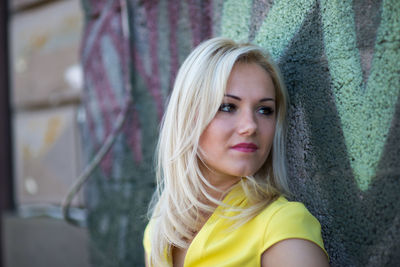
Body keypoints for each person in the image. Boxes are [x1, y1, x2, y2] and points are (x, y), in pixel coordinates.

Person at [143, 37, 329, 267]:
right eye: (228, 107)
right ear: (188, 117)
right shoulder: (159, 230)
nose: (250, 126)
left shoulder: (281, 227)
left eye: (264, 110)